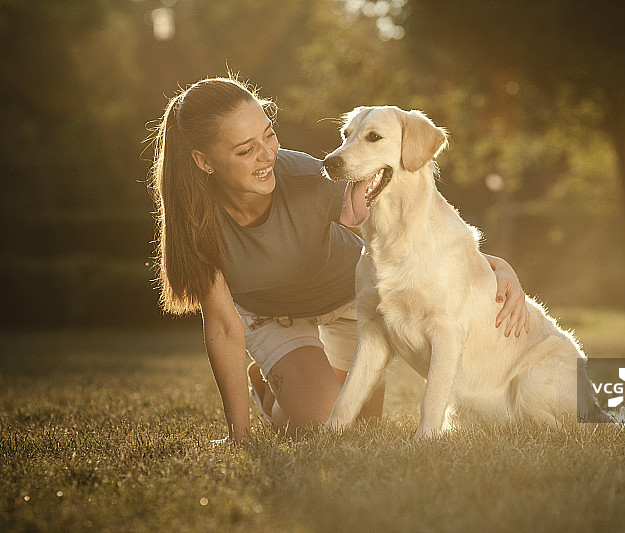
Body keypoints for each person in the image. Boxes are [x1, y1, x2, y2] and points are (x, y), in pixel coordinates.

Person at [148, 76, 530, 443]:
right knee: (318, 421)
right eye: (245, 150)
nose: (267, 156)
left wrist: (497, 267)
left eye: (269, 135)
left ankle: (294, 381)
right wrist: (239, 435)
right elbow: (222, 327)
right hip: (273, 317)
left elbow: (411, 237)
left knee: (359, 427)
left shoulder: (309, 179)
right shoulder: (196, 219)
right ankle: (277, 382)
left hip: (348, 304)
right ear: (204, 162)